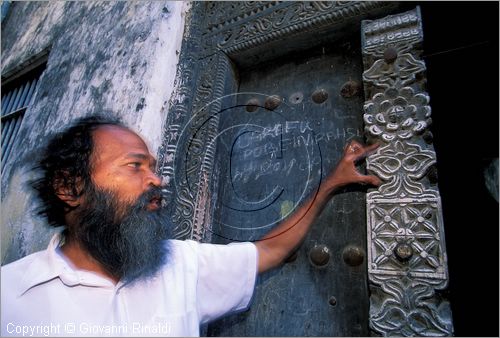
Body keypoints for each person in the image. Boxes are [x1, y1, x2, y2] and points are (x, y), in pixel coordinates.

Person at [1, 115, 381, 337]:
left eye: (153, 166)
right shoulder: (9, 298)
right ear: (70, 187)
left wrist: (329, 183)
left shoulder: (180, 264)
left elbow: (269, 251)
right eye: (136, 166)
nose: (157, 180)